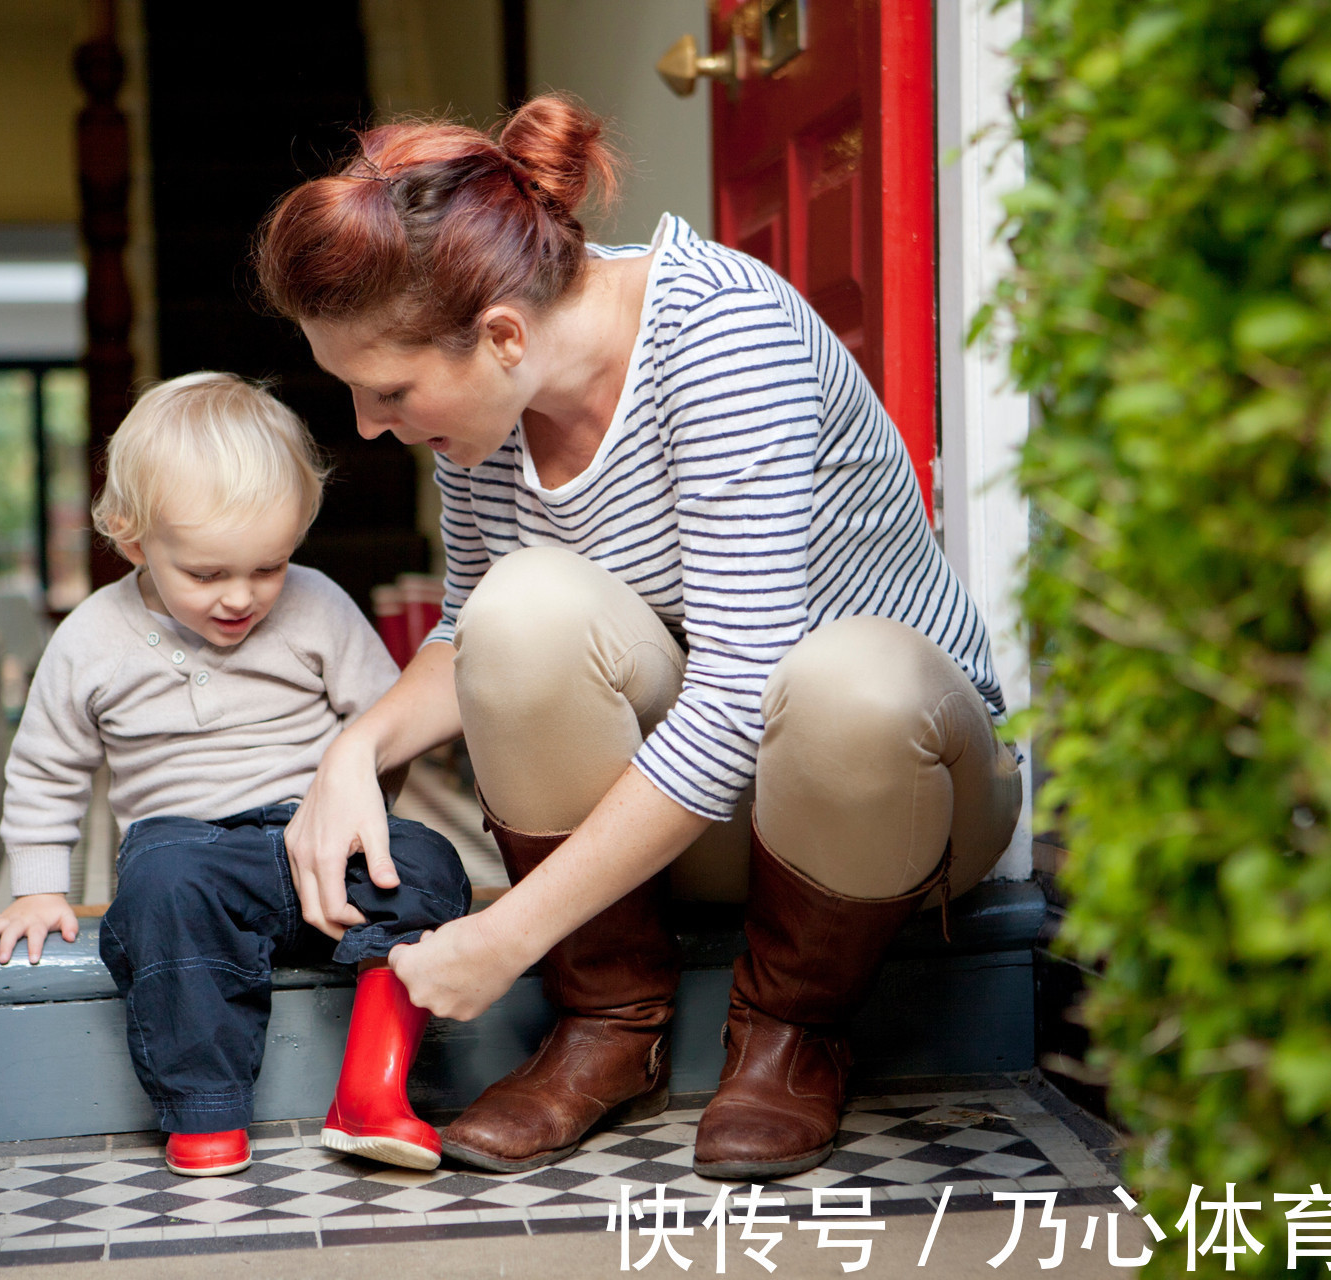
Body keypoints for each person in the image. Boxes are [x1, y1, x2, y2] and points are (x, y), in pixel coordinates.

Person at [257, 93, 1022, 1181]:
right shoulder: (479, 408)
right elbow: (472, 627)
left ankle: (793, 1030)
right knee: (522, 608)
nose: (372, 425)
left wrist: (504, 933)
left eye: (386, 391)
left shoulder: (722, 335)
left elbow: (733, 692)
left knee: (849, 676)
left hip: (893, 804)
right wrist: (353, 752)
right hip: (712, 819)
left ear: (504, 334)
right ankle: (606, 1025)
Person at [0, 372, 471, 1176]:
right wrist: (37, 886)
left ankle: (372, 1088)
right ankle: (206, 1110)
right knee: (160, 891)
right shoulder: (93, 639)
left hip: (315, 844)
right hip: (191, 851)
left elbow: (387, 720)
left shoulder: (316, 606)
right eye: (207, 574)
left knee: (429, 865)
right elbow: (47, 767)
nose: (242, 597)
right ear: (134, 541)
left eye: (268, 567)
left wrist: (368, 813)